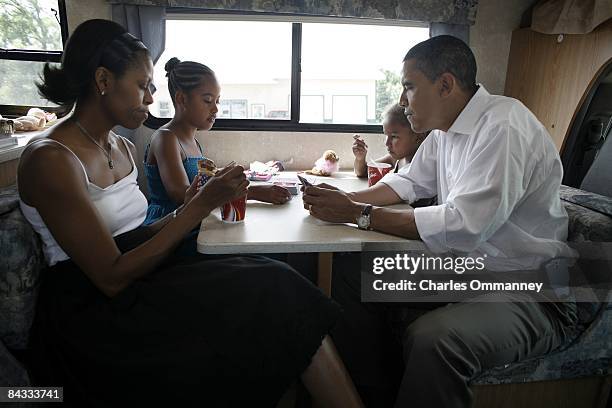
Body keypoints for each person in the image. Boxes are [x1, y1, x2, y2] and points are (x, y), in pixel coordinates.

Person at [18, 19, 363, 407]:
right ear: (103, 80)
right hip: (93, 311)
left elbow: (138, 234)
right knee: (271, 292)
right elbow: (110, 277)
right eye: (143, 86)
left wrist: (197, 205)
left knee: (272, 277)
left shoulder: (120, 147)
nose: (150, 98)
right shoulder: (50, 159)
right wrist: (197, 206)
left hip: (140, 278)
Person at [302, 35, 579, 408]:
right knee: (349, 275)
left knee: (435, 339)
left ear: (445, 84)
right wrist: (340, 199)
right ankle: (369, 397)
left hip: (531, 287)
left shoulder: (503, 126)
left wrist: (356, 215)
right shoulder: (445, 132)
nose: (402, 100)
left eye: (409, 87)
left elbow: (466, 225)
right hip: (474, 270)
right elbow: (408, 182)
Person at [143, 57, 291, 225]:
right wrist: (254, 193)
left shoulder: (193, 142)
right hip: (168, 228)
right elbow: (183, 197)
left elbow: (204, 186)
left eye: (217, 101)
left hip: (194, 222)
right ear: (182, 99)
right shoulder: (166, 138)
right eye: (207, 100)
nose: (215, 109)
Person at [352, 103, 426, 177]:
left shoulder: (422, 167)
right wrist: (360, 158)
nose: (387, 143)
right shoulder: (396, 159)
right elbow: (364, 172)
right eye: (386, 135)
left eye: (394, 137)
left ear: (418, 137)